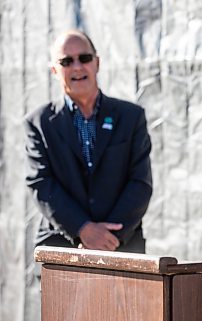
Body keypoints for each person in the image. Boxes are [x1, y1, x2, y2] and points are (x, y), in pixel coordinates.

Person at [25, 29, 153, 253]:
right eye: (66, 61)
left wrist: (107, 237)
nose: (77, 67)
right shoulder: (39, 123)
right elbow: (41, 183)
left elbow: (140, 182)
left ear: (97, 63)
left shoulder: (131, 117)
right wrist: (82, 229)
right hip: (61, 247)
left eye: (84, 58)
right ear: (55, 70)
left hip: (120, 246)